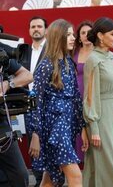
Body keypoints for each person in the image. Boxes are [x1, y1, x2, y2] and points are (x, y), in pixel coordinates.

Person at [28, 19, 89, 187]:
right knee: (75, 175)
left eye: (72, 34)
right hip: (53, 128)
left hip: (67, 125)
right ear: (58, 36)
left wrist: (82, 128)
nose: (72, 38)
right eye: (68, 34)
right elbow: (36, 101)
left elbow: (76, 98)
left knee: (49, 179)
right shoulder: (46, 65)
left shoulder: (69, 63)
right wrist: (35, 134)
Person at [83, 17, 113, 187]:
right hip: (100, 120)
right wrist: (94, 128)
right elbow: (89, 98)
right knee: (109, 168)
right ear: (101, 36)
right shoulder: (93, 60)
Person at [20, 16, 47, 187]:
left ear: (45, 29)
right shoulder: (24, 51)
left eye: (39, 26)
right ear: (29, 30)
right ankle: (38, 180)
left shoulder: (51, 51)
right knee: (33, 143)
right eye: (33, 27)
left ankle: (49, 180)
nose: (36, 29)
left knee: (47, 143)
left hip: (46, 104)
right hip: (27, 104)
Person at [0, 47, 33, 186]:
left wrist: (8, 84)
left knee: (19, 174)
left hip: (2, 124)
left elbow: (28, 75)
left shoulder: (1, 51)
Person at [74, 20, 93, 162]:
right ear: (79, 36)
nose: (86, 35)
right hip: (76, 99)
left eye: (89, 32)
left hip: (94, 99)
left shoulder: (100, 52)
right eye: (83, 33)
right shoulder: (73, 53)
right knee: (79, 136)